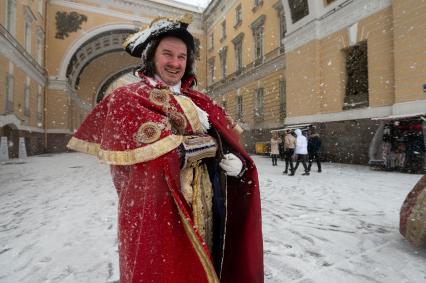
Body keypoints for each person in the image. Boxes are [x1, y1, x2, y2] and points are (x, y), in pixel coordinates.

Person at [67, 14, 263, 283]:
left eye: (182, 57)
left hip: (208, 204)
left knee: (209, 262)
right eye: (167, 54)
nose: (175, 63)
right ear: (151, 57)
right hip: (160, 212)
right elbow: (153, 158)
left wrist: (238, 166)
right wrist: (204, 146)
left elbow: (225, 142)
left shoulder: (200, 100)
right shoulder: (127, 98)